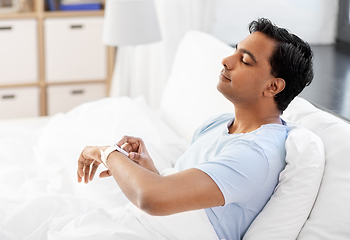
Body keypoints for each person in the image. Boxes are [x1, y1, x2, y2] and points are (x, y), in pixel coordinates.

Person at [77, 18, 313, 240]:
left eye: (245, 61)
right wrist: (149, 172)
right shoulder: (217, 124)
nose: (226, 61)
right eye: (234, 52)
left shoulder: (255, 155)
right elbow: (182, 199)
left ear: (273, 86)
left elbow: (152, 198)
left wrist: (106, 153)